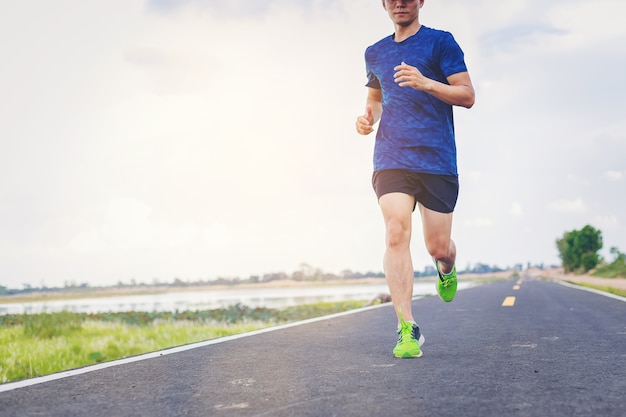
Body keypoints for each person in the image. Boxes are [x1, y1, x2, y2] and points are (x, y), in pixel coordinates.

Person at [355, 0, 475, 358]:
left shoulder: (441, 42)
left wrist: (425, 83)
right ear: (384, 4)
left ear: (421, 1)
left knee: (438, 246)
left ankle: (447, 266)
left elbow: (467, 95)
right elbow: (376, 100)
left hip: (436, 159)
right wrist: (367, 120)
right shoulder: (374, 52)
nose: (400, 3)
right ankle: (407, 327)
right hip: (391, 157)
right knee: (395, 231)